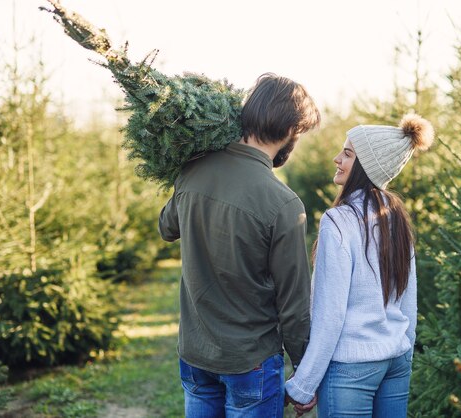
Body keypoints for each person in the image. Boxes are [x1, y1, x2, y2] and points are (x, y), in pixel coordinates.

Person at [158, 73, 321, 418]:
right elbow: (293, 303)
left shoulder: (193, 169)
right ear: (292, 131)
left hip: (195, 354)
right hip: (251, 363)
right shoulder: (283, 203)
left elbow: (166, 227)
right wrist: (305, 371)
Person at [284, 114, 434, 417]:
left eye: (348, 154)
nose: (337, 159)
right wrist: (403, 345)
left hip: (352, 365)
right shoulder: (397, 219)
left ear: (366, 166)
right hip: (396, 360)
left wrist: (303, 384)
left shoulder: (338, 221)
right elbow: (408, 301)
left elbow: (330, 313)